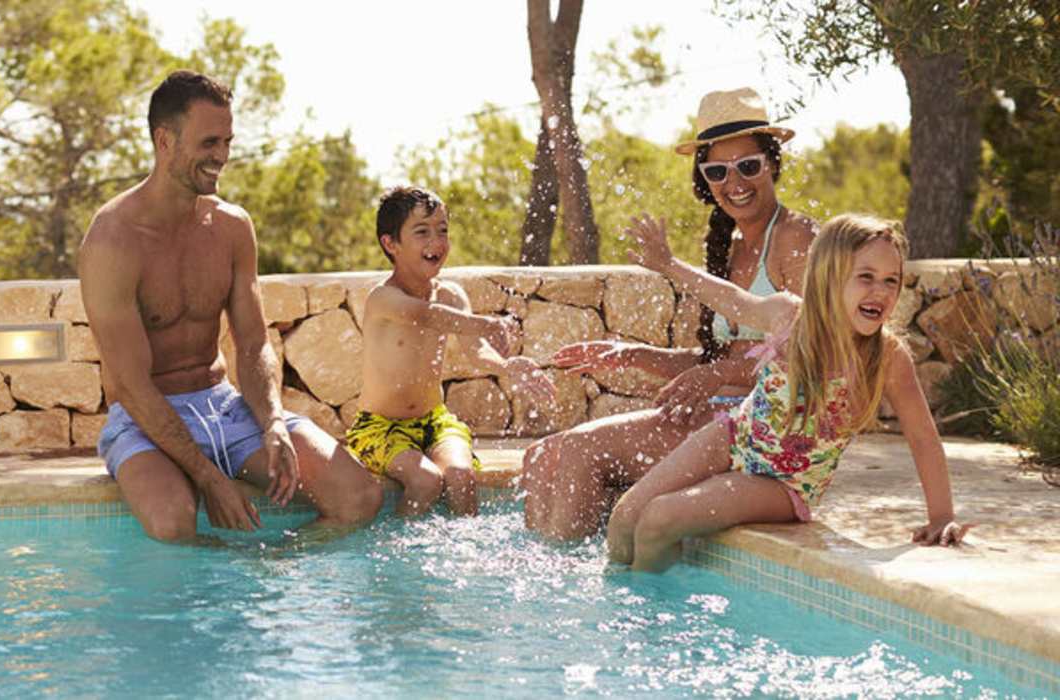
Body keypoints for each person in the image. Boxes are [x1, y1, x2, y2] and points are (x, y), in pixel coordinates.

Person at [79, 70, 382, 543]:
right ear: (164, 140)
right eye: (208, 142)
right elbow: (130, 386)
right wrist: (208, 478)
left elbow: (254, 341)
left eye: (227, 140)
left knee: (359, 496)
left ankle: (268, 571)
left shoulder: (232, 227)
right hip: (145, 419)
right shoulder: (113, 239)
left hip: (223, 408)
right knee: (172, 523)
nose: (222, 155)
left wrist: (273, 422)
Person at [523, 86, 818, 540]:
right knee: (543, 454)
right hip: (720, 418)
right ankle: (554, 567)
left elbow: (809, 361)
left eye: (748, 165)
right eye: (718, 170)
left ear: (772, 164)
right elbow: (716, 365)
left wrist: (718, 375)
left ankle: (570, 588)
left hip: (762, 431)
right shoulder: (731, 247)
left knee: (581, 450)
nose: (734, 182)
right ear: (704, 177)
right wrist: (630, 355)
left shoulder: (797, 240)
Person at [607, 212, 969, 571]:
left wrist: (941, 516)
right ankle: (627, 603)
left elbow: (923, 437)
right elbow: (730, 298)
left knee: (659, 519)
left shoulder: (888, 356)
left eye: (892, 280)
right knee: (626, 516)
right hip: (732, 436)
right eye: (866, 277)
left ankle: (652, 622)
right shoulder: (789, 317)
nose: (882, 291)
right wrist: (668, 264)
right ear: (830, 276)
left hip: (784, 485)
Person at [345, 186, 555, 516]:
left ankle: (462, 560)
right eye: (422, 232)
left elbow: (478, 352)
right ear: (391, 244)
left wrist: (507, 366)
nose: (437, 242)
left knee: (461, 476)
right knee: (426, 481)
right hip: (380, 426)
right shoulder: (383, 299)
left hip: (435, 421)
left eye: (443, 230)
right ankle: (401, 562)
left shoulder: (452, 295)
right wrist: (485, 323)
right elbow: (426, 315)